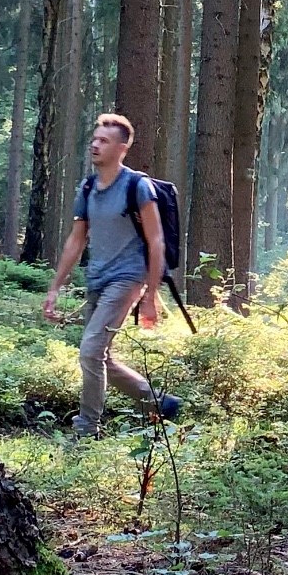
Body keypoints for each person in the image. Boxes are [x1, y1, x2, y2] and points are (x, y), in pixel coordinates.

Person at [43, 112, 182, 434]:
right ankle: (159, 402)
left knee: (90, 350)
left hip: (127, 277)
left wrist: (151, 294)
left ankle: (86, 428)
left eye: (104, 141)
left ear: (122, 147)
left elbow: (156, 240)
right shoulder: (89, 187)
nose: (95, 144)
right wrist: (54, 288)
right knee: (100, 356)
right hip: (97, 278)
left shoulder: (138, 186)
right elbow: (76, 240)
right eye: (94, 138)